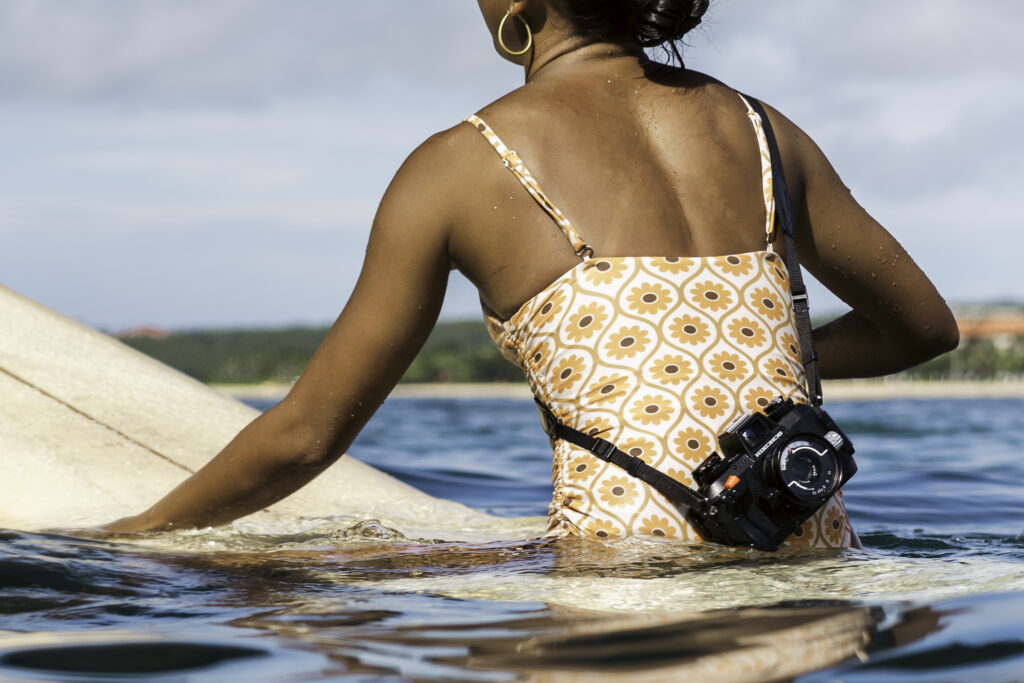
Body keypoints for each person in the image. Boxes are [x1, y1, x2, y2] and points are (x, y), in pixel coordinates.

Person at [105, 0, 959, 547]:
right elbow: (923, 327)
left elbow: (305, 435)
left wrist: (127, 538)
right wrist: (776, 380)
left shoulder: (461, 167)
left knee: (314, 612)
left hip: (617, 588)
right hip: (812, 561)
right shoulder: (761, 130)